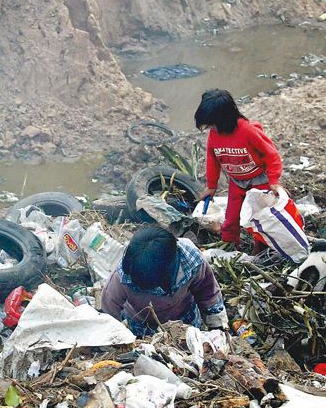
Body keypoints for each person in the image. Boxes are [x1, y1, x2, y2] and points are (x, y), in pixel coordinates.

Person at [195, 89, 283, 249]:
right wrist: (211, 186)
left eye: (213, 124)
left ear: (224, 119)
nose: (211, 128)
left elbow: (272, 155)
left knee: (261, 217)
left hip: (259, 181)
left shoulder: (247, 131)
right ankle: (230, 246)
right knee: (231, 219)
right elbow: (212, 160)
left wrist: (274, 181)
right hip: (237, 182)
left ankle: (261, 249)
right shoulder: (214, 135)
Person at [101, 226, 228, 337]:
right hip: (142, 326)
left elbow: (208, 294)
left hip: (185, 322)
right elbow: (109, 314)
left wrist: (217, 327)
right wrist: (114, 338)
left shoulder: (192, 262)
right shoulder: (123, 275)